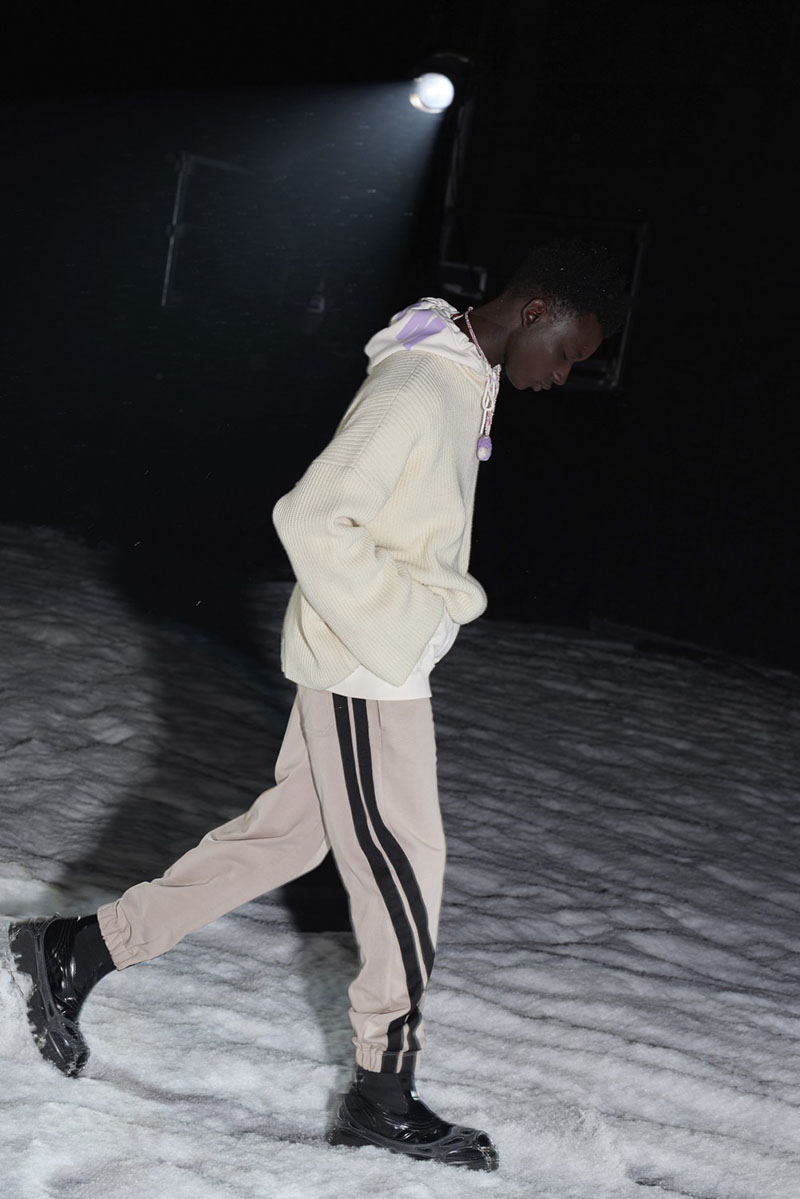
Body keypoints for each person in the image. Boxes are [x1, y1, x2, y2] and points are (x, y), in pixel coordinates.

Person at [9, 236, 627, 1173]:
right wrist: (402, 626)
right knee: (406, 870)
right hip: (366, 671)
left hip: (364, 661)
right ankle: (383, 1093)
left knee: (285, 838)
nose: (563, 375)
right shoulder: (422, 384)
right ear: (537, 311)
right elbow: (310, 516)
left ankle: (76, 951)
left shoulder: (461, 375)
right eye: (569, 353)